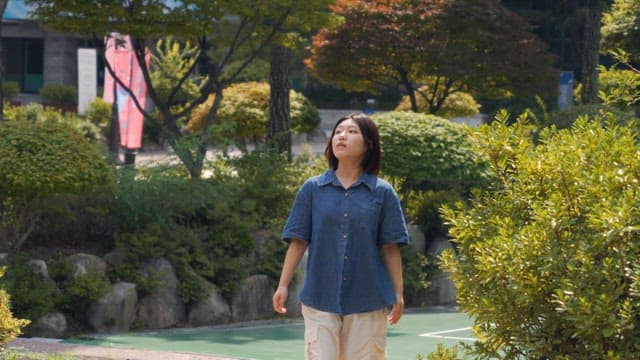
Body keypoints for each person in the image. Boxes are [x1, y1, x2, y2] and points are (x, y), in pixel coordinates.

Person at [272, 113, 410, 359]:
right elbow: (298, 240)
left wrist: (398, 293)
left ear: (369, 144)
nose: (342, 136)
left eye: (352, 131)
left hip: (368, 300)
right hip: (319, 298)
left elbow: (391, 247)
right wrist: (283, 285)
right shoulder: (312, 189)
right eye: (338, 131)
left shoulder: (382, 193)